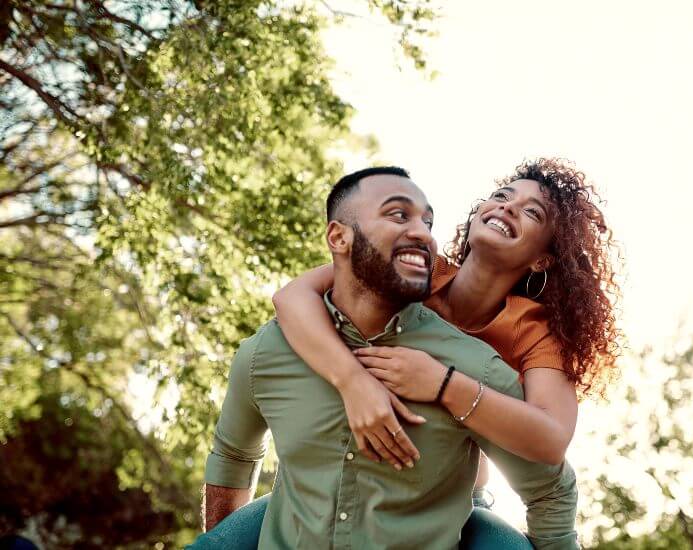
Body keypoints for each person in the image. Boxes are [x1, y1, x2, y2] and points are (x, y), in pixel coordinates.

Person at [193, 167, 580, 549]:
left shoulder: (533, 332)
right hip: (315, 498)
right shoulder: (414, 270)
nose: (509, 208)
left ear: (542, 260)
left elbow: (550, 444)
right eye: (502, 195)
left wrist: (442, 383)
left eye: (532, 212)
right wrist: (353, 381)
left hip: (447, 496)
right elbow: (292, 297)